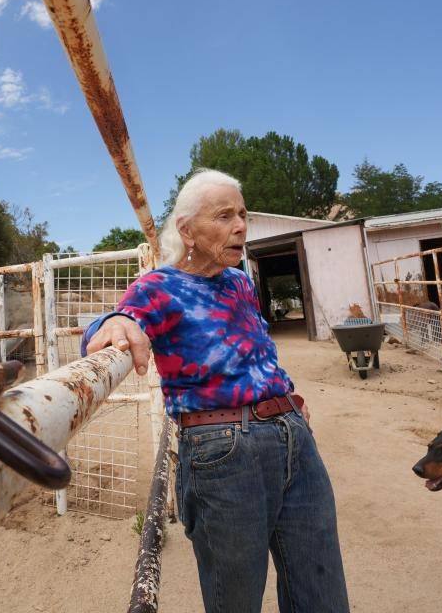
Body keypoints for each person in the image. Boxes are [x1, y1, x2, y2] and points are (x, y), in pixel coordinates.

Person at [82, 168, 349, 613]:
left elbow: (259, 353)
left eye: (242, 214)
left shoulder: (241, 283)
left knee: (322, 590)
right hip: (225, 451)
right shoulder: (159, 286)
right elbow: (117, 324)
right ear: (187, 230)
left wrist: (290, 404)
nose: (241, 226)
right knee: (237, 599)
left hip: (294, 438)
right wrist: (114, 322)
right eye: (224, 216)